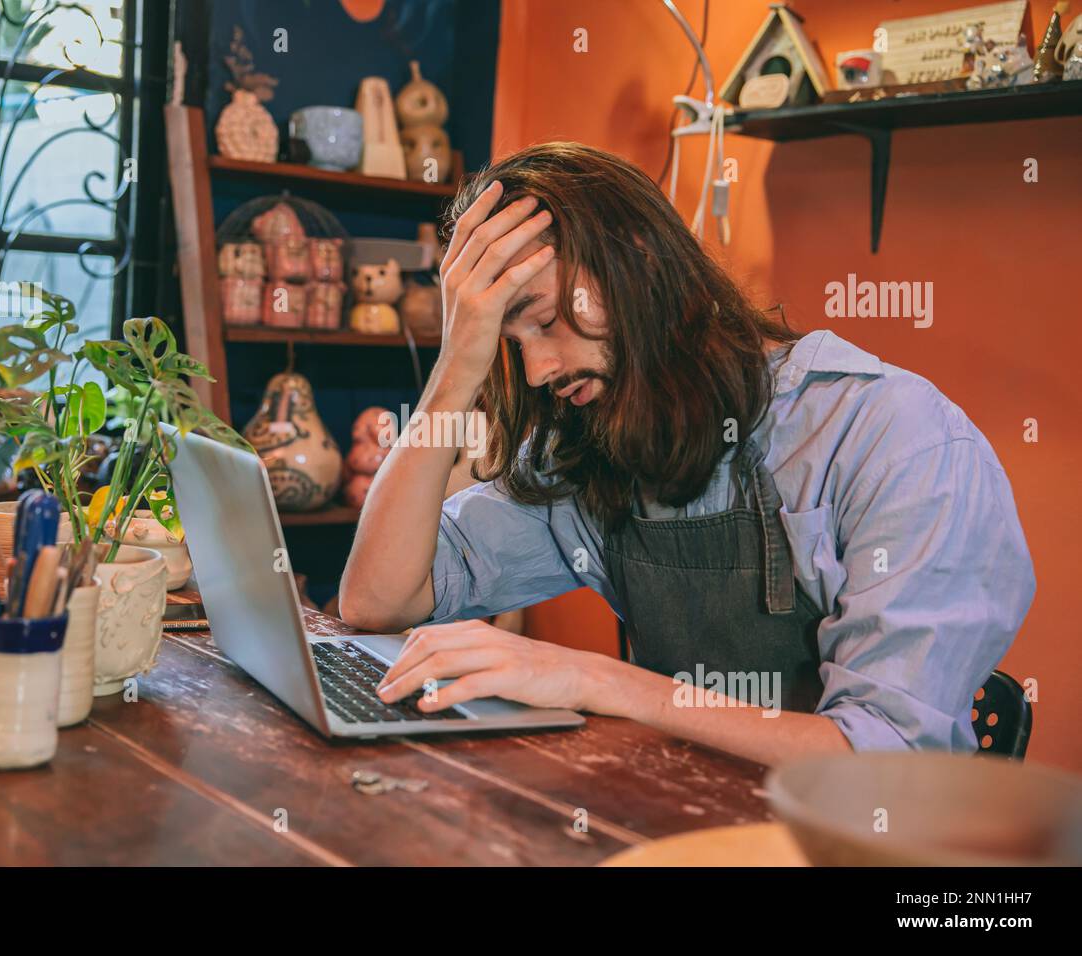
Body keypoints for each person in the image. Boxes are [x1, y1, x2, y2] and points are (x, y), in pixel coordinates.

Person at [337, 142, 1034, 767]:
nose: (541, 368)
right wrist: (455, 371)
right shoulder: (591, 446)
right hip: (682, 825)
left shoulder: (892, 436)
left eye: (547, 320)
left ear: (640, 258)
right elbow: (377, 599)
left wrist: (599, 680)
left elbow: (885, 760)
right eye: (511, 343)